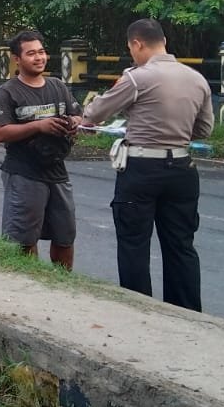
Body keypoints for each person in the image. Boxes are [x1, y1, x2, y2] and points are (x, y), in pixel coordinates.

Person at [78, 18, 214, 311]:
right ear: (164, 41)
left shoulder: (137, 78)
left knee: (134, 244)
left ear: (137, 44)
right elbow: (203, 130)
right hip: (182, 170)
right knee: (181, 245)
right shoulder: (196, 79)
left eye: (132, 49)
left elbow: (95, 113)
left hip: (141, 169)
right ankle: (187, 313)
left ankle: (140, 311)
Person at [0, 29, 81, 270]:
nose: (38, 58)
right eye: (31, 54)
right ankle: (31, 284)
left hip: (58, 171)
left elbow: (77, 115)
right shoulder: (7, 92)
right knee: (24, 238)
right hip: (23, 172)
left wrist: (74, 124)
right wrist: (39, 126)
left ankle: (63, 285)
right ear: (17, 59)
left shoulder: (58, 86)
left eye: (41, 52)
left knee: (65, 235)